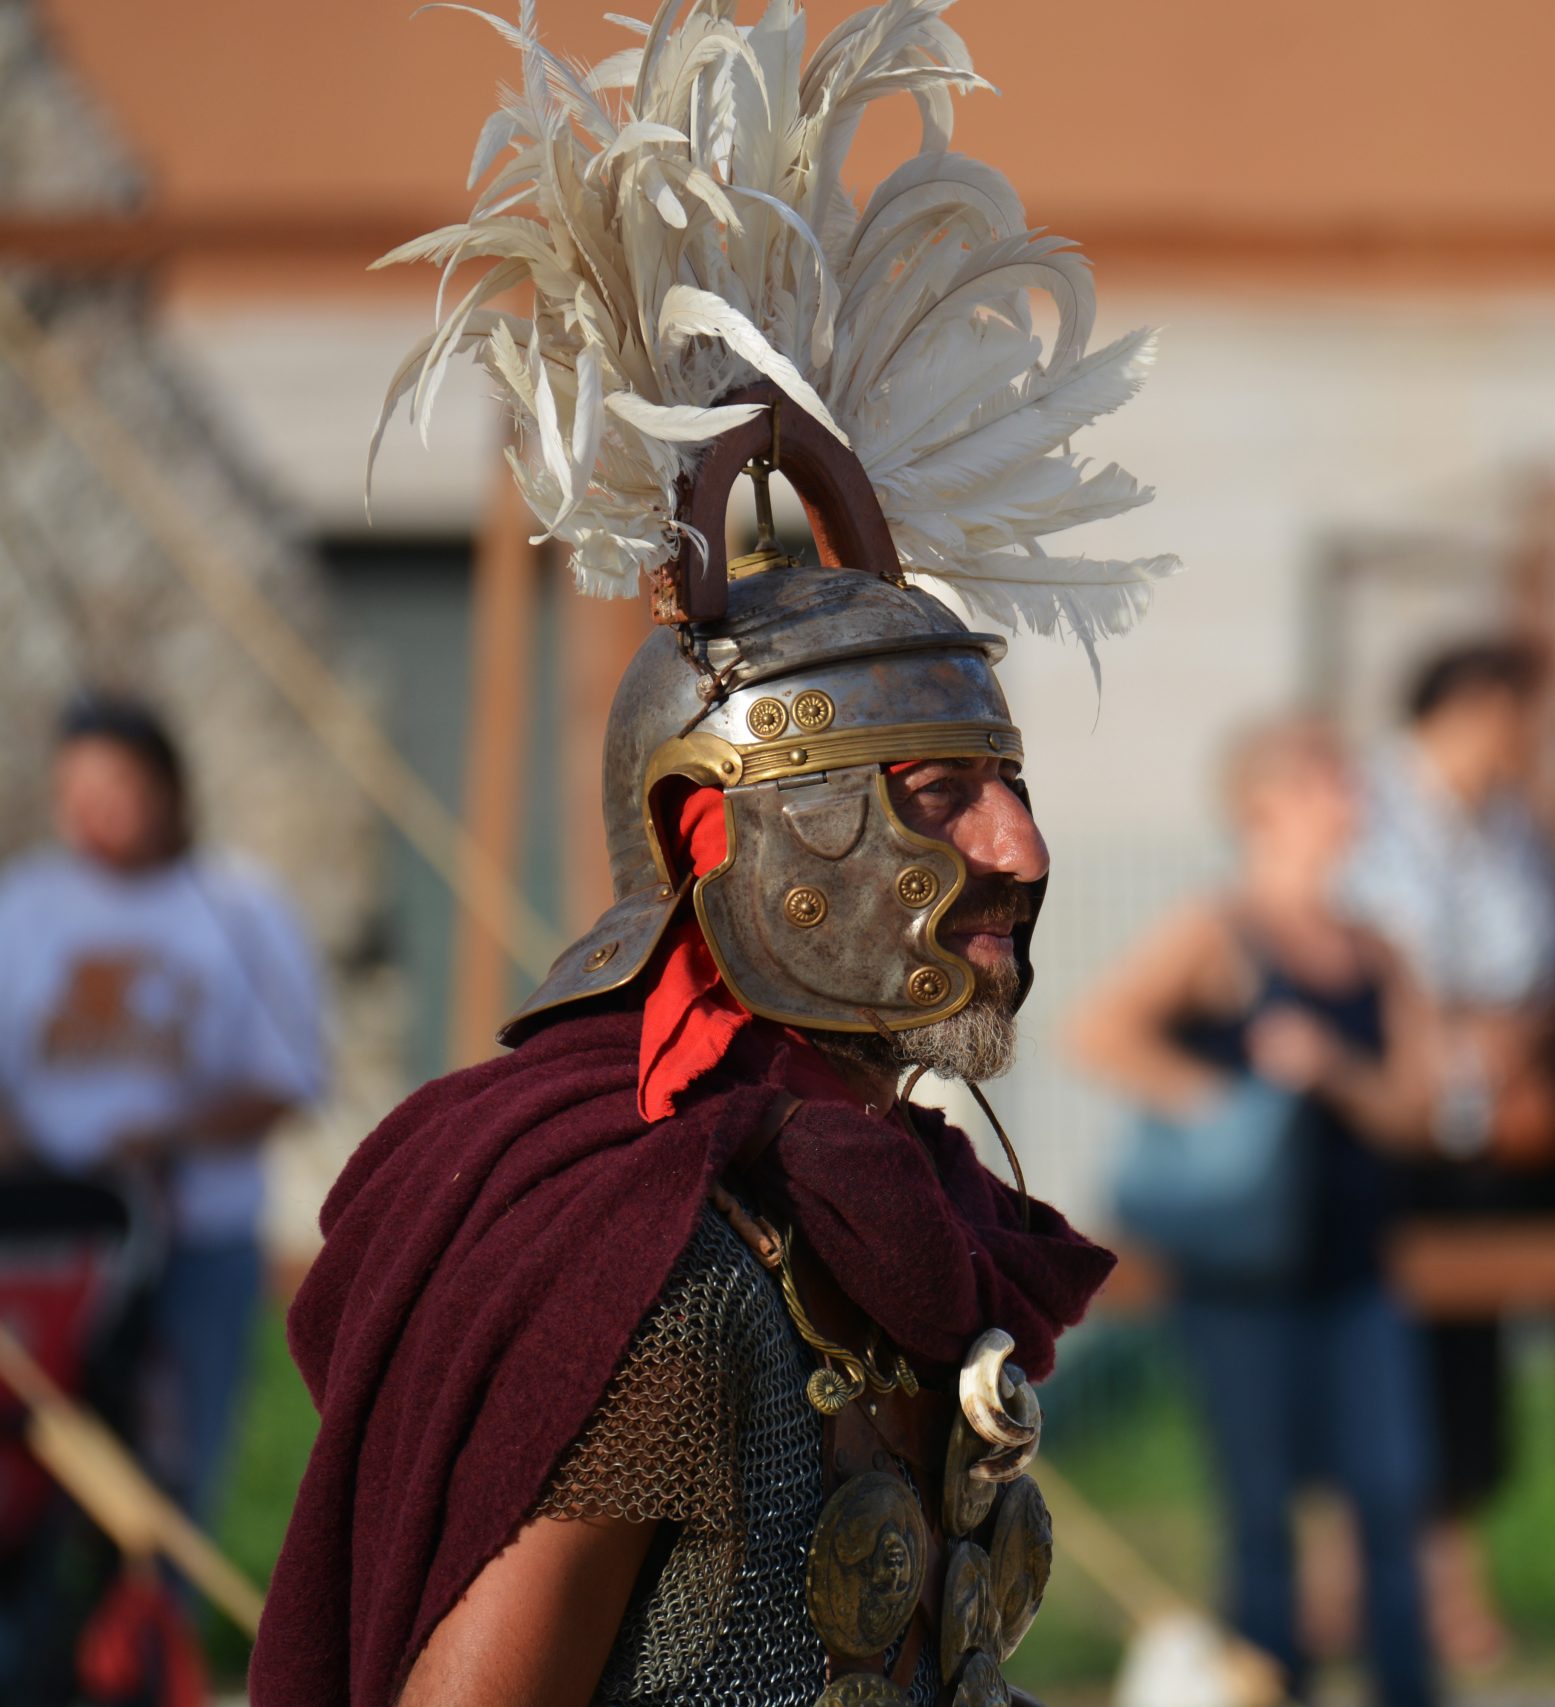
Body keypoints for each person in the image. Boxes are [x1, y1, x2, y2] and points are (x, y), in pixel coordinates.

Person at [252, 5, 1166, 1703]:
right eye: (937, 792)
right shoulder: (658, 1263)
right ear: (717, 833)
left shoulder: (904, 1212)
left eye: (1005, 784)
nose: (1020, 849)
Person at [1074, 715, 1441, 1707]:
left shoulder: (1376, 949)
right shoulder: (1218, 931)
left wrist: (1329, 1072)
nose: (1351, 800)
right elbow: (1098, 1029)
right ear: (1264, 804)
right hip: (1241, 1283)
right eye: (1331, 780)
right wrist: (1222, 1102)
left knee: (1391, 1505)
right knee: (1262, 1521)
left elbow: (1416, 1110)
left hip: (1358, 1274)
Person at [0, 696, 327, 1528]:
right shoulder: (27, 902)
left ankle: (154, 1640)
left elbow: (290, 1075)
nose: (91, 809)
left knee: (171, 1470)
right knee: (36, 1458)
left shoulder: (238, 906)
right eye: (74, 787)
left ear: (166, 789)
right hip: (49, 1237)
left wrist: (171, 1134)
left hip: (191, 1235)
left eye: (112, 785)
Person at [1338, 639, 1555, 1670]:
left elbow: (1553, 959)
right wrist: (1439, 1038)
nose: (1530, 742)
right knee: (1390, 1360)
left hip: (1485, 1132)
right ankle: (1391, 1593)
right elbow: (1371, 949)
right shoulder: (1373, 808)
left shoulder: (1515, 823)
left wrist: (1508, 1040)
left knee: (1468, 1366)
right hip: (1392, 1127)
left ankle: (1439, 1593)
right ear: (1475, 708)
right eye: (1519, 716)